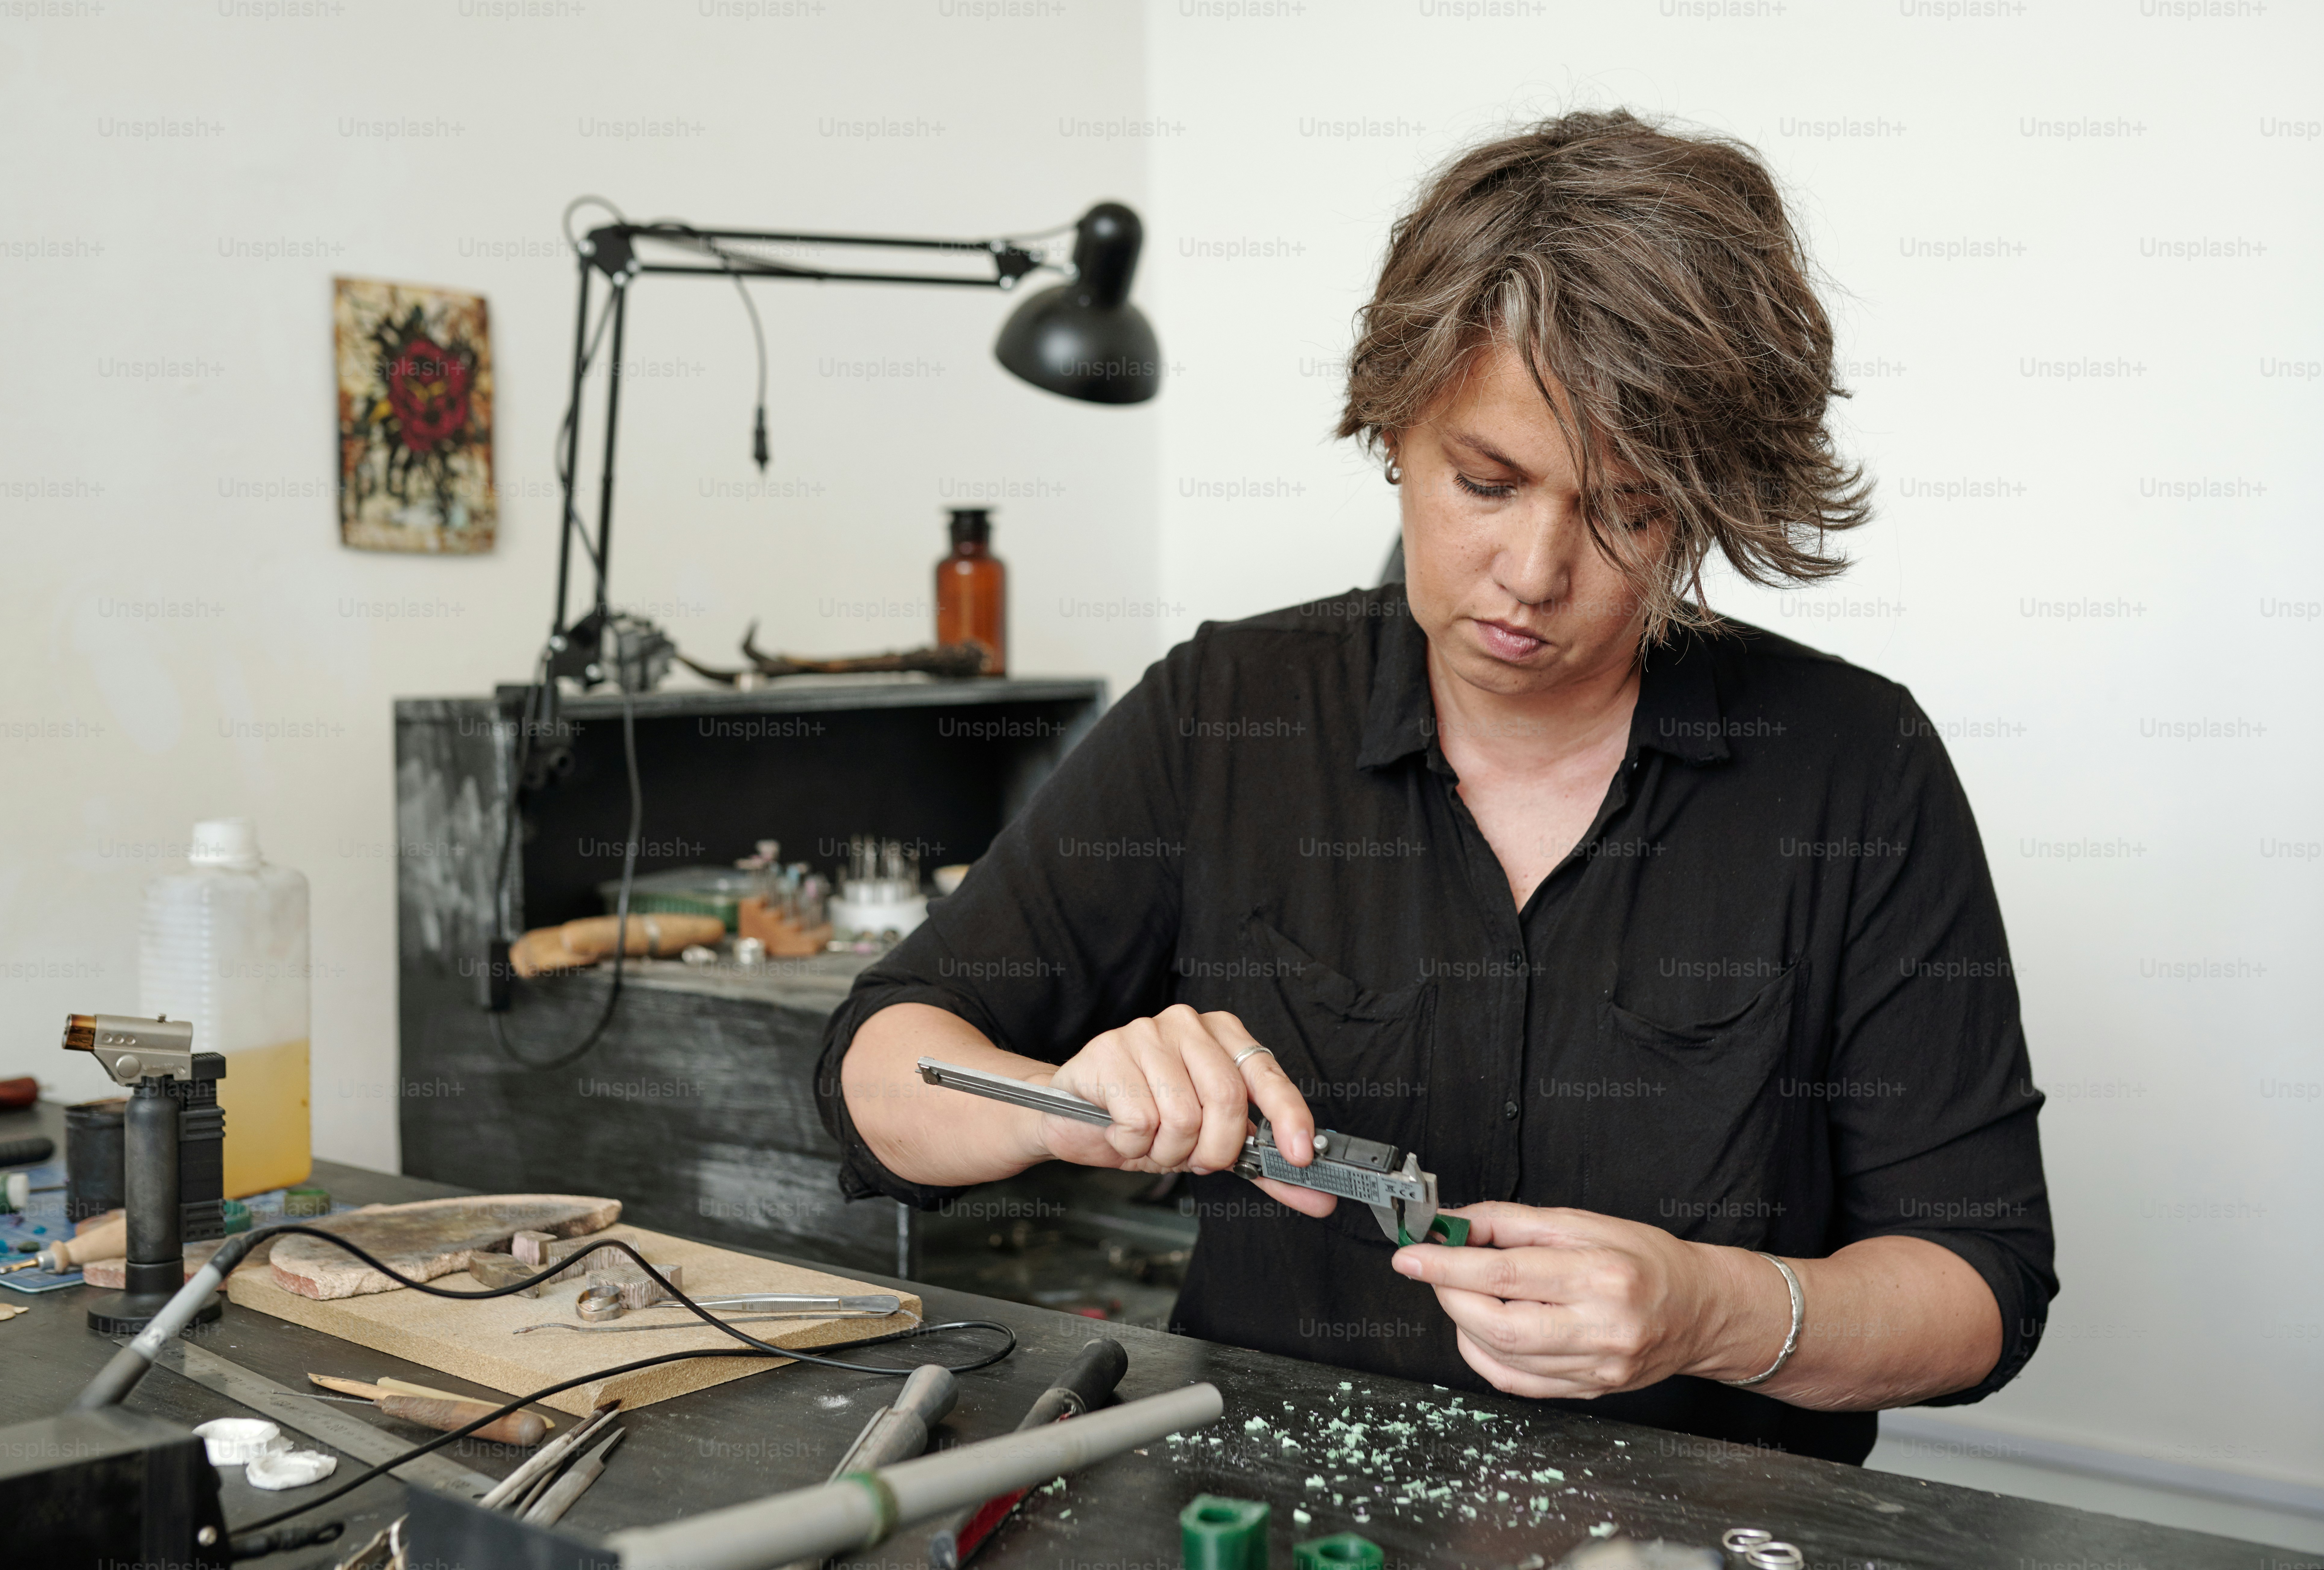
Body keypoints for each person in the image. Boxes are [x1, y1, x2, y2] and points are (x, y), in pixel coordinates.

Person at [815, 109, 2055, 1464]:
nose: (1534, 570)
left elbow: (1980, 1285)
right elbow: (875, 1070)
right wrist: (1072, 1096)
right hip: (1267, 1520)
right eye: (1486, 481)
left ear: (1704, 511)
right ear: (1395, 428)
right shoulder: (1231, 714)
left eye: (1626, 510)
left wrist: (1713, 1310)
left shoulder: (1852, 768)